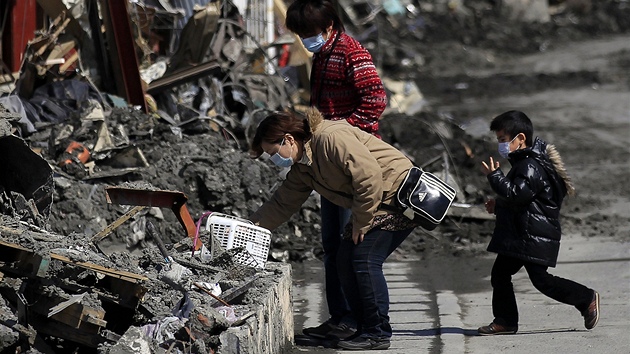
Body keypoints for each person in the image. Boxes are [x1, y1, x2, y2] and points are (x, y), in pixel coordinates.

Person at [249, 108, 417, 350]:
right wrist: (249, 226)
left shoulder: (329, 138)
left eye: (274, 153)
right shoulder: (304, 166)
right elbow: (282, 203)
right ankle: (360, 326)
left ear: (288, 139)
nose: (275, 160)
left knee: (364, 260)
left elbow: (369, 176)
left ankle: (377, 332)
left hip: (397, 195)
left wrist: (361, 221)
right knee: (344, 259)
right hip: (375, 202)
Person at [284, 0, 388, 340]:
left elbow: (375, 101)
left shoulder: (350, 52)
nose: (306, 40)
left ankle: (359, 322)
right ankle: (341, 316)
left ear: (329, 27)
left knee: (349, 247)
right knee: (332, 245)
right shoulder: (323, 54)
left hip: (349, 161)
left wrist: (342, 132)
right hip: (327, 158)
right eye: (301, 34)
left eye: (310, 33)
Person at [478, 110, 600, 335]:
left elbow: (517, 194)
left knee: (542, 281)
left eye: (503, 140)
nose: (501, 146)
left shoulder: (530, 166)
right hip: (522, 233)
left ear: (521, 138)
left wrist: (495, 176)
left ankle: (586, 298)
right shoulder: (525, 164)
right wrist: (499, 205)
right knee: (500, 275)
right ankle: (505, 321)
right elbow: (523, 200)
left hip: (532, 235)